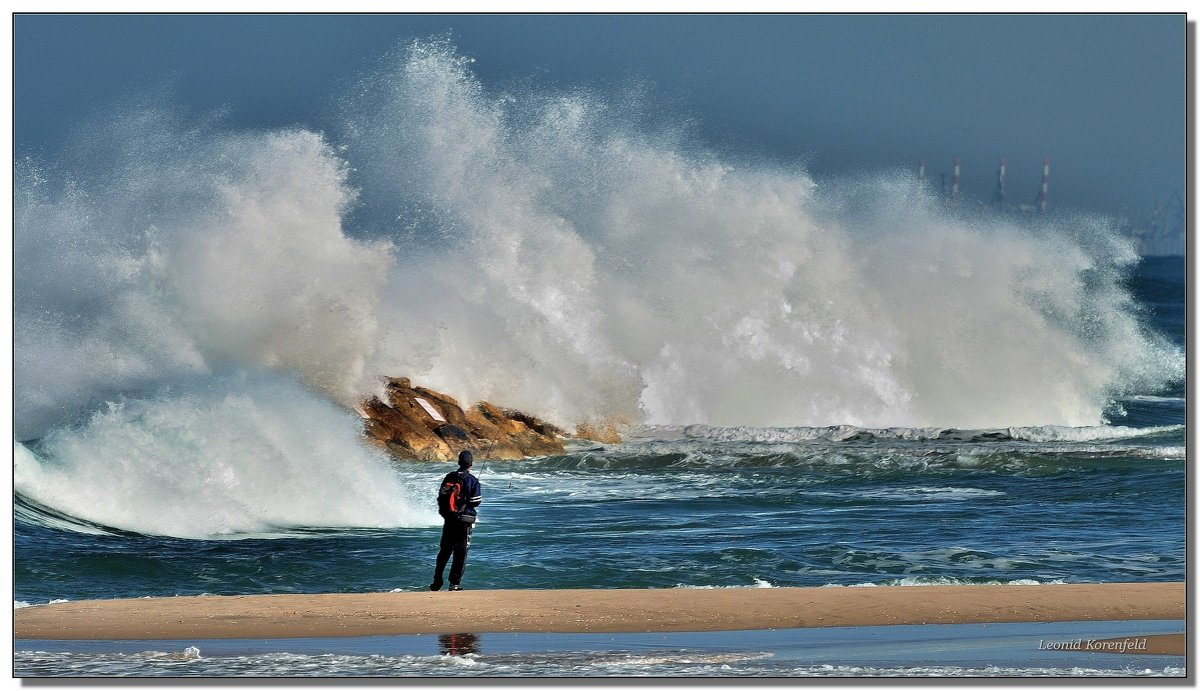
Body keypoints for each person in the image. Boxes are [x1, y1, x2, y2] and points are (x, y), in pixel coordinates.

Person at [430, 450, 482, 591]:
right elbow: (476, 502)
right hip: (464, 521)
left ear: (459, 462)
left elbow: (441, 496)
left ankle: (437, 581)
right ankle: (454, 584)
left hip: (449, 519)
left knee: (444, 551)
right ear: (471, 464)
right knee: (460, 552)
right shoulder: (473, 480)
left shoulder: (449, 477)